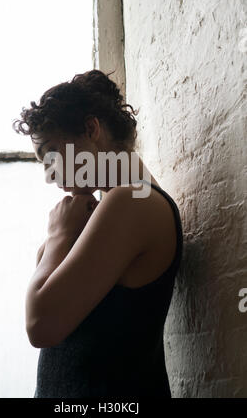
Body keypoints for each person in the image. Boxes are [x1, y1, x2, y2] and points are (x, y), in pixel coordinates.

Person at [12, 69, 183, 398]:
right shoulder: (115, 208)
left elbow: (40, 325)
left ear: (91, 129)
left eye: (50, 153)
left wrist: (59, 235)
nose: (49, 173)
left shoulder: (134, 201)